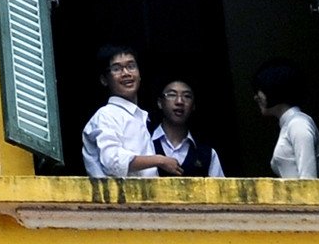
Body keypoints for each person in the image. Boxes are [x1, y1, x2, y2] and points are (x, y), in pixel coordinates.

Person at [81, 45, 184, 178]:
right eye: (117, 69)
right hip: (117, 198)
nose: (126, 73)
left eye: (131, 66)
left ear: (139, 74)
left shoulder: (139, 117)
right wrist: (160, 160)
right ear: (104, 79)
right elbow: (114, 162)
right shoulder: (106, 115)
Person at [254, 60, 319, 178]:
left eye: (259, 90)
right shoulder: (291, 124)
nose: (255, 97)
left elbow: (309, 181)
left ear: (273, 88)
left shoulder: (298, 124)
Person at [150, 78, 226, 177]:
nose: (179, 101)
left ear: (193, 105)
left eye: (187, 96)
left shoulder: (207, 154)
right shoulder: (145, 144)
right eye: (172, 95)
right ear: (160, 103)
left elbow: (220, 190)